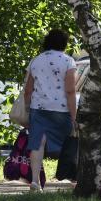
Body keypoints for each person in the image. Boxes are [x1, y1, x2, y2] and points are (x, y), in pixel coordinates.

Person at [22, 29, 77, 191]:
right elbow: (70, 91)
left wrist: (27, 110)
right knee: (68, 141)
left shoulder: (36, 61)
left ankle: (35, 181)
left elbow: (28, 90)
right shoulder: (68, 61)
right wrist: (74, 116)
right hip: (61, 109)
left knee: (38, 143)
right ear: (64, 44)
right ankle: (72, 177)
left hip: (38, 108)